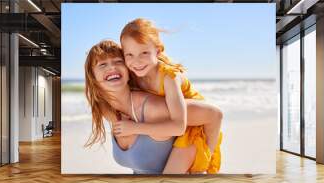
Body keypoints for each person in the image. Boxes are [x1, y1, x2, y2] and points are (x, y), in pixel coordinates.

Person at [115, 18, 223, 173]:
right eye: (129, 54)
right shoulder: (134, 74)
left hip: (191, 126)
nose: (136, 61)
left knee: (170, 178)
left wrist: (134, 128)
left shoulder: (168, 77)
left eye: (144, 53)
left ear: (158, 51)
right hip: (168, 124)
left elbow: (179, 127)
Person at [84, 40, 196, 174]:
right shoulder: (107, 109)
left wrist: (137, 128)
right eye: (102, 64)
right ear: (93, 77)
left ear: (128, 70)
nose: (111, 68)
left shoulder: (153, 108)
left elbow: (212, 114)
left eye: (118, 61)